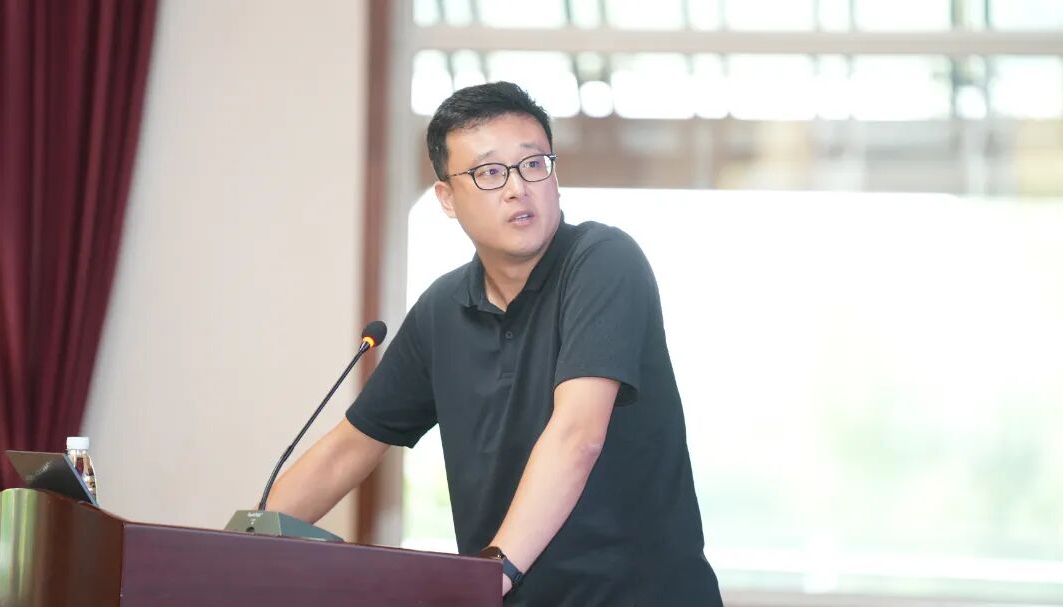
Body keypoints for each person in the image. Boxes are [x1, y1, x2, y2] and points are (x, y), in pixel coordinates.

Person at [267, 81, 723, 606]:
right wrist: (236, 548)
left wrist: (490, 573)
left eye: (533, 164)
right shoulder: (441, 311)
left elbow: (577, 435)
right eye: (489, 173)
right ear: (446, 198)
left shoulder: (603, 261)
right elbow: (347, 450)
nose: (517, 188)